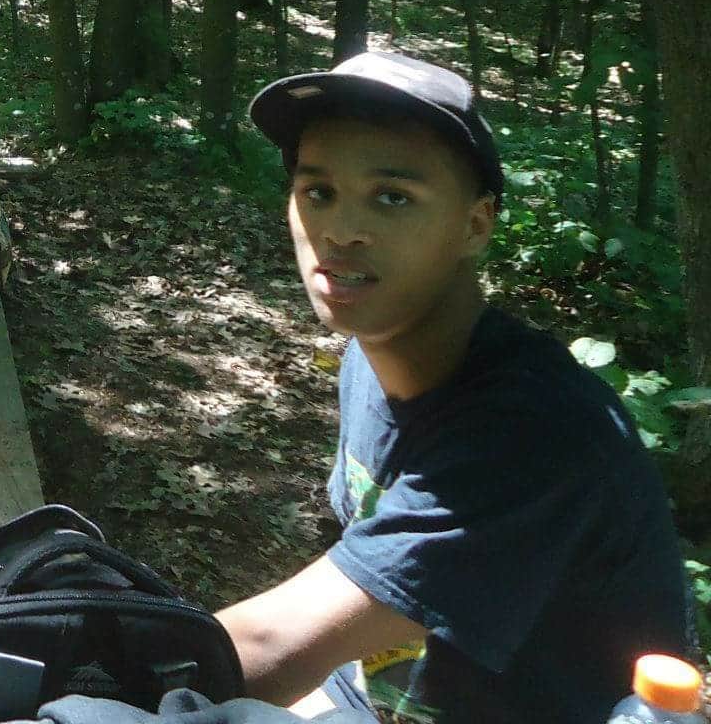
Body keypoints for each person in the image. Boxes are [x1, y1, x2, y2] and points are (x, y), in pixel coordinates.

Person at [216, 51, 695, 723]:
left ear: (475, 225)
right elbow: (364, 628)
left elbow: (272, 643)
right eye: (317, 191)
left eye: (393, 197)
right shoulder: (369, 358)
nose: (341, 231)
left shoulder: (532, 433)